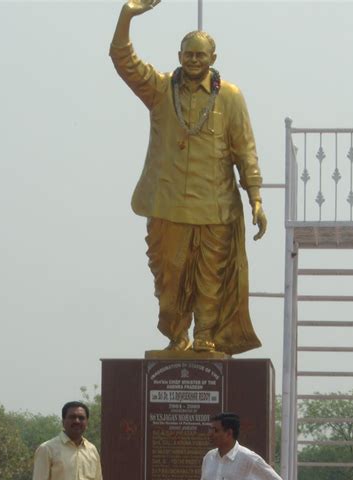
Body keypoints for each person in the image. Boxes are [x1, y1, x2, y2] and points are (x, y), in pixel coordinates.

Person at [110, 0, 267, 355]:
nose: (194, 61)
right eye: (188, 55)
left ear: (213, 58)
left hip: (215, 206)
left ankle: (204, 336)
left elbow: (245, 150)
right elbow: (122, 59)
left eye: (200, 56)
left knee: (210, 279)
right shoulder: (160, 89)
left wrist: (255, 197)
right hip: (167, 205)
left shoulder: (230, 97)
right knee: (168, 279)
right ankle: (175, 335)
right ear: (179, 55)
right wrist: (127, 15)